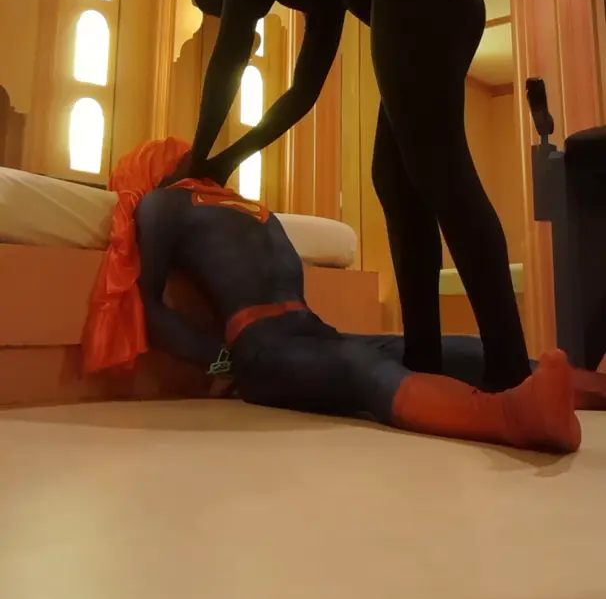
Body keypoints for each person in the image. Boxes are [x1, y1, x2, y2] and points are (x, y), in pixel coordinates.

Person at [187, 0, 529, 391]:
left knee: (441, 173)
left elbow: (228, 60)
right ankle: (423, 358)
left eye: (228, 6)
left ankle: (510, 368)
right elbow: (304, 91)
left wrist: (197, 158)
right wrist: (227, 159)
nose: (248, 14)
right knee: (396, 178)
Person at [82, 139, 597, 456]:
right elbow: (150, 308)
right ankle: (510, 418)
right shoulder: (162, 204)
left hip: (313, 330)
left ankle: (593, 388)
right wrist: (224, 363)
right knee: (361, 370)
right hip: (262, 349)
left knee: (448, 348)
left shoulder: (247, 207)